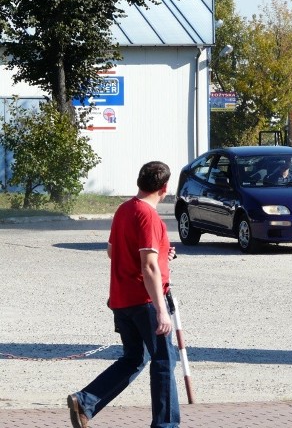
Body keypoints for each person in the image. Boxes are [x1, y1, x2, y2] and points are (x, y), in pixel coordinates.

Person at [67, 161, 180, 428]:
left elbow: (112, 250)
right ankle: (166, 424)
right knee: (164, 359)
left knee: (134, 358)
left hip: (122, 300)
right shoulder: (149, 216)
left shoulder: (124, 209)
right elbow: (149, 266)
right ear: (164, 188)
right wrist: (161, 309)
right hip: (145, 301)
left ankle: (86, 401)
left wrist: (163, 253)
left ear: (139, 182)